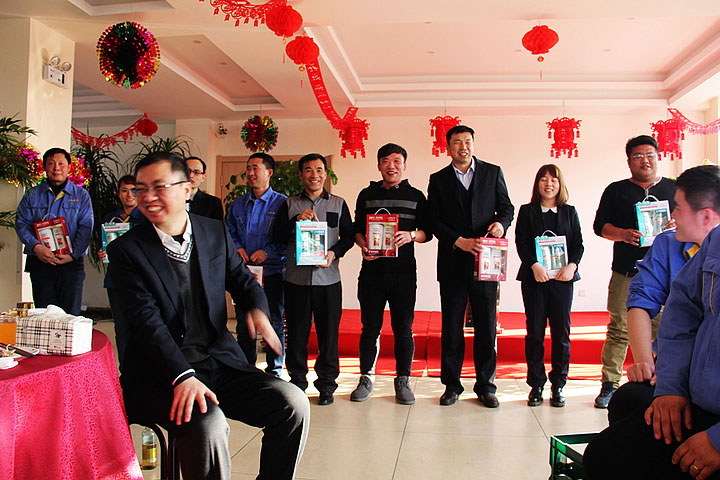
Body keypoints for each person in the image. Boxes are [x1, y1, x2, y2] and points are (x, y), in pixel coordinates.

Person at [107, 152, 309, 480]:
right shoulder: (126, 251)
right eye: (142, 189)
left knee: (293, 404)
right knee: (208, 423)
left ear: (187, 189)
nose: (148, 197)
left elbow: (242, 280)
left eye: (159, 187)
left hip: (218, 361)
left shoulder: (213, 231)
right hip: (161, 373)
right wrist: (181, 376)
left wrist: (256, 308)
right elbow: (145, 323)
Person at [583, 221, 720, 480]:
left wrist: (716, 441)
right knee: (605, 454)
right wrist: (671, 388)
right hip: (700, 398)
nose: (673, 215)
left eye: (680, 207)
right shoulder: (713, 240)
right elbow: (682, 313)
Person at [607, 165, 720, 425]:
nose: (672, 215)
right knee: (627, 401)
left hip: (709, 377)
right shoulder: (667, 243)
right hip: (676, 366)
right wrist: (646, 363)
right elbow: (642, 301)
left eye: (678, 207)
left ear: (706, 216)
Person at [427, 125, 514, 407]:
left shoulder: (492, 172)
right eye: (457, 142)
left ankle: (486, 386)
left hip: (486, 261)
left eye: (467, 141)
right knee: (451, 328)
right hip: (452, 262)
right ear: (448, 147)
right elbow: (433, 220)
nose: (463, 147)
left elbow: (507, 208)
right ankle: (451, 386)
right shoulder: (438, 179)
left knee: (486, 327)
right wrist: (459, 241)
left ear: (473, 144)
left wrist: (501, 224)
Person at [592, 135, 676, 408]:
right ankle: (610, 384)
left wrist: (675, 226)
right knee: (618, 329)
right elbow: (600, 227)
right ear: (629, 161)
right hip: (626, 272)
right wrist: (623, 234)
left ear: (658, 157)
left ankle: (664, 381)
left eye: (650, 155)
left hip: (667, 275)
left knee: (667, 329)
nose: (645, 160)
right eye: (638, 156)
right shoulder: (616, 190)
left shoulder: (674, 189)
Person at [349, 143, 431, 405]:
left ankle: (403, 380)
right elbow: (357, 229)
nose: (391, 166)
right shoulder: (366, 194)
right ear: (378, 165)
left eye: (396, 161)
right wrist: (363, 246)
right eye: (386, 161)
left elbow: (428, 232)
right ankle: (366, 378)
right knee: (369, 328)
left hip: (403, 274)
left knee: (403, 329)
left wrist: (411, 235)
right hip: (371, 273)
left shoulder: (416, 196)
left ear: (404, 165)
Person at [275, 153, 354, 406]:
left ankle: (327, 386)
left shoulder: (339, 204)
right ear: (301, 175)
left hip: (328, 281)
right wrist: (295, 221)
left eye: (319, 170)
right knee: (297, 335)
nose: (314, 175)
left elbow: (349, 238)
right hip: (296, 281)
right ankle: (297, 384)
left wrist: (333, 253)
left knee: (328, 336)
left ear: (325, 174)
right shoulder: (289, 204)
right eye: (308, 170)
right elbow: (277, 236)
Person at [515, 164, 583, 408]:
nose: (549, 184)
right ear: (537, 184)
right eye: (543, 179)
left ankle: (558, 384)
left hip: (562, 281)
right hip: (535, 279)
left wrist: (572, 266)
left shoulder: (569, 212)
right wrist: (534, 265)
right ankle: (536, 384)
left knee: (561, 334)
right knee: (535, 333)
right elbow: (521, 242)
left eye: (553, 180)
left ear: (560, 184)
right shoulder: (527, 211)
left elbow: (578, 244)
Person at [226, 152, 288, 377]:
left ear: (269, 172)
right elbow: (229, 231)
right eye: (248, 168)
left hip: (273, 273)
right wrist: (237, 248)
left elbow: (287, 238)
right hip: (245, 275)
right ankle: (246, 371)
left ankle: (275, 371)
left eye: (255, 168)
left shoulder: (282, 203)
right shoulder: (238, 205)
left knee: (274, 322)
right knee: (245, 325)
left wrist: (267, 252)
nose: (250, 173)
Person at [15, 147, 93, 315]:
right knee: (45, 313)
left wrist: (72, 255)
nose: (56, 168)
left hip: (70, 263)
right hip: (40, 260)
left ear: (69, 167)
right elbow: (21, 223)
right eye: (51, 164)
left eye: (61, 164)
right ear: (44, 167)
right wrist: (36, 247)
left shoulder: (81, 195)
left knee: (70, 314)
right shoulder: (32, 194)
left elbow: (86, 227)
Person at [97, 174, 147, 367]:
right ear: (118, 194)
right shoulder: (110, 219)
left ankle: (142, 369)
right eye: (124, 190)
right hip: (115, 280)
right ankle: (125, 368)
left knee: (142, 325)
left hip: (140, 280)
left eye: (133, 190)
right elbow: (104, 245)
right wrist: (103, 253)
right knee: (121, 327)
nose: (129, 195)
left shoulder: (146, 218)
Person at [185, 156, 224, 220]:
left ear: (203, 177)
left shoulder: (213, 203)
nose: (191, 175)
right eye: (187, 171)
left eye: (196, 172)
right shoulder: (171, 199)